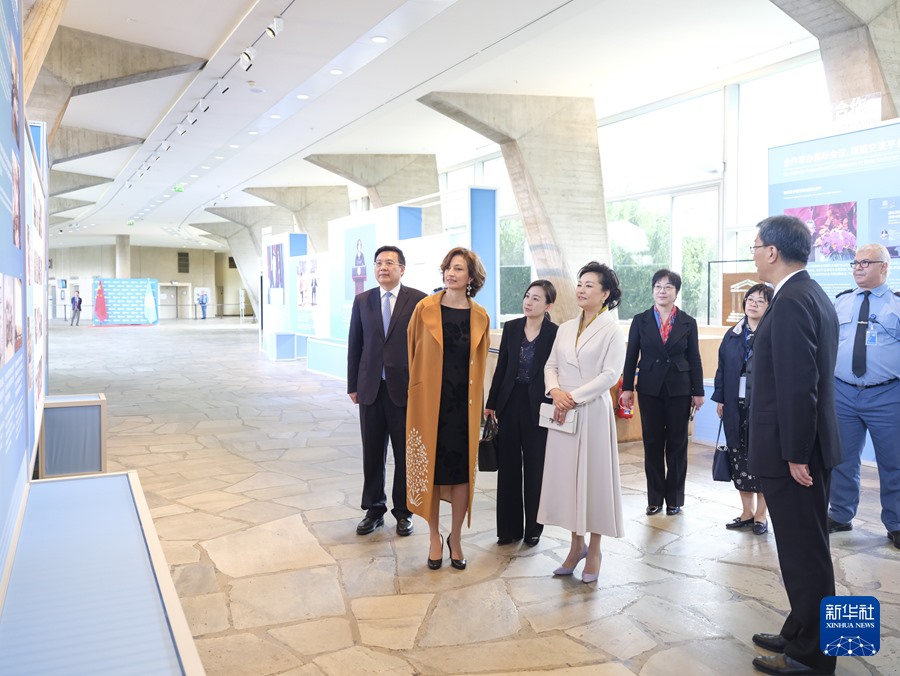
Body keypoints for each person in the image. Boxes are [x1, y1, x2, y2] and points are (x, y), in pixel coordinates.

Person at [746, 215, 841, 676]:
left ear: (772, 252)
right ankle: (800, 628)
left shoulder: (791, 302)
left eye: (756, 245)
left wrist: (797, 453)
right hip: (801, 447)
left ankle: (815, 656)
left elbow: (800, 385)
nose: (754, 252)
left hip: (795, 453)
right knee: (806, 549)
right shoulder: (812, 294)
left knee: (807, 555)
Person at [537, 262, 626, 583]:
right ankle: (576, 546)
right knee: (567, 481)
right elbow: (550, 365)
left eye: (589, 285)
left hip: (591, 411)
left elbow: (610, 375)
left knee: (594, 480)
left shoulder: (613, 331)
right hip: (562, 411)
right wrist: (556, 391)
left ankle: (596, 549)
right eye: (579, 283)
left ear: (605, 294)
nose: (581, 289)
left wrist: (573, 397)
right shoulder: (564, 327)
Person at [406, 247, 490, 570]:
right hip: (429, 405)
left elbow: (480, 365)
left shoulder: (479, 315)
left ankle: (455, 537)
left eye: (458, 269)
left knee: (460, 477)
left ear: (471, 277)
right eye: (448, 268)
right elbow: (411, 351)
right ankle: (433, 537)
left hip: (463, 408)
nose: (451, 274)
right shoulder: (424, 309)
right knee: (429, 472)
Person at [348, 245, 427, 537]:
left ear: (402, 269)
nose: (383, 267)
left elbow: (424, 347)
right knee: (372, 452)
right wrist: (352, 385)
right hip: (370, 389)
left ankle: (404, 512)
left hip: (405, 390)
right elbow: (355, 344)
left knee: (405, 454)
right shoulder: (363, 300)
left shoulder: (419, 301)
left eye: (390, 263)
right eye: (378, 263)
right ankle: (374, 509)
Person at [828, 243, 900, 550]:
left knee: (893, 462)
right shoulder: (841, 302)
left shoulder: (897, 304)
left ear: (884, 267)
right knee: (842, 459)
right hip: (842, 391)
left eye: (866, 262)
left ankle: (896, 523)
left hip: (886, 394)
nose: (858, 267)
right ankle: (841, 514)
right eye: (855, 263)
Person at [619, 269, 704, 516]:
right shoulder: (640, 319)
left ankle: (675, 499)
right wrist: (626, 388)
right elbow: (631, 354)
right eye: (658, 286)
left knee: (678, 444)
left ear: (676, 292)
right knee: (653, 442)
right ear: (653, 290)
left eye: (668, 287)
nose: (662, 291)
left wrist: (697, 391)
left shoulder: (688, 322)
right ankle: (654, 498)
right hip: (649, 388)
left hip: (679, 388)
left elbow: (695, 358)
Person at [484, 280, 558, 547]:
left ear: (548, 305)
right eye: (527, 296)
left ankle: (533, 529)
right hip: (509, 402)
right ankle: (508, 528)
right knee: (509, 468)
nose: (529, 302)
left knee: (536, 468)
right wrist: (491, 403)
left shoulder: (554, 333)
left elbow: (557, 371)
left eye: (537, 299)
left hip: (539, 407)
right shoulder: (512, 327)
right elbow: (502, 367)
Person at [711, 283, 773, 535]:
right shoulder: (734, 333)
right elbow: (722, 369)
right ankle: (746, 512)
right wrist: (721, 400)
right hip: (735, 406)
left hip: (763, 408)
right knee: (739, 459)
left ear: (769, 306)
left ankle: (761, 515)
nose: (753, 303)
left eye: (760, 300)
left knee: (763, 460)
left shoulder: (773, 333)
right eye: (750, 298)